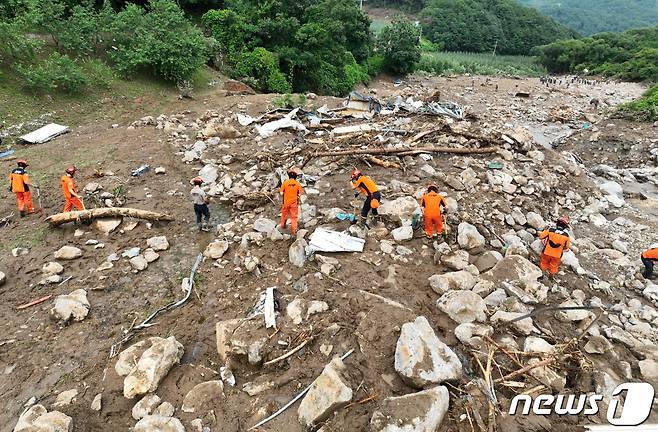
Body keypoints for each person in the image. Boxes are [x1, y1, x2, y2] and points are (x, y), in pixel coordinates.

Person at [280, 168, 304, 234]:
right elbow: (300, 194)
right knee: (294, 217)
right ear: (295, 177)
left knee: (284, 214)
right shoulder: (297, 183)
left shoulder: (285, 183)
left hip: (286, 202)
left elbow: (281, 193)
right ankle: (294, 230)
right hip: (294, 203)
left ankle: (283, 226)